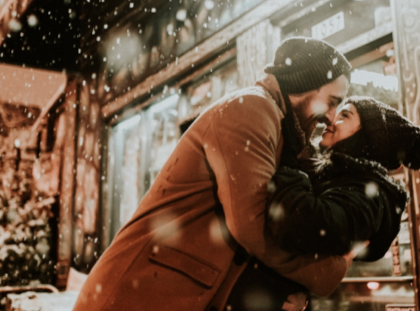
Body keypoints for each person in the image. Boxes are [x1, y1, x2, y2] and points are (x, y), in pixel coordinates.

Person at [72, 37, 353, 311]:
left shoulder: (283, 133)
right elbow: (252, 226)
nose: (331, 116)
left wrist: (288, 289)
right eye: (332, 101)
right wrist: (328, 270)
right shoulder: (252, 110)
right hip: (139, 294)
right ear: (306, 84)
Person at [225, 96, 420, 311]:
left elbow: (300, 222)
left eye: (344, 115)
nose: (330, 120)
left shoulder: (367, 194)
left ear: (366, 137)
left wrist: (291, 163)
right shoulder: (334, 177)